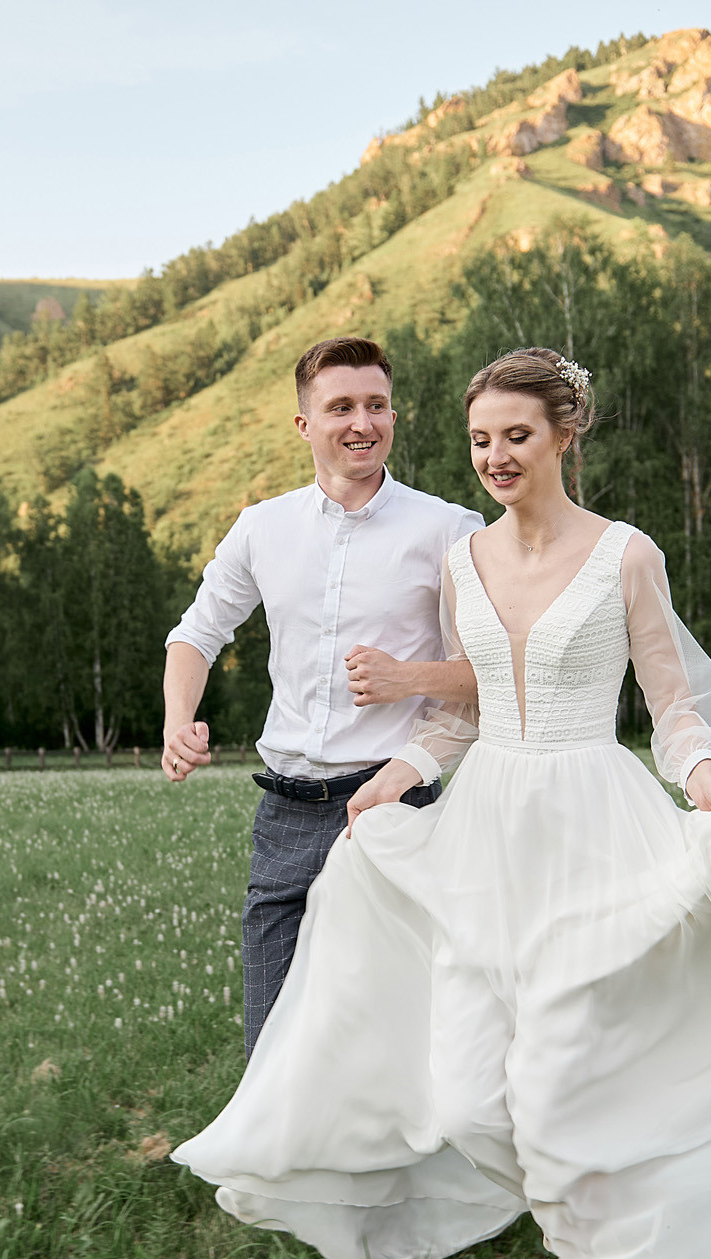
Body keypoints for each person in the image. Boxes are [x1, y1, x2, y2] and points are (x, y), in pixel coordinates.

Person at [172, 348, 711, 1259]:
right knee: (467, 1094)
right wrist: (397, 776)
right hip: (486, 829)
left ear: (565, 431)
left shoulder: (626, 555)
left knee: (558, 1070)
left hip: (591, 821)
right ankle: (590, 1189)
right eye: (479, 439)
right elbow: (460, 711)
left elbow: (672, 699)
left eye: (517, 434)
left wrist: (704, 777)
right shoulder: (461, 561)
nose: (496, 456)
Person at [163, 336, 484, 1055]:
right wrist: (176, 720)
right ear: (304, 425)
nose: (361, 422)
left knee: (391, 1044)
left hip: (394, 807)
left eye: (376, 405)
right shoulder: (261, 528)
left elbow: (494, 675)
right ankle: (278, 1167)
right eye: (340, 407)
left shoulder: (450, 531)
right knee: (270, 1044)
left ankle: (389, 1167)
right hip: (283, 811)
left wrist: (410, 677)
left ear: (393, 417)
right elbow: (196, 632)